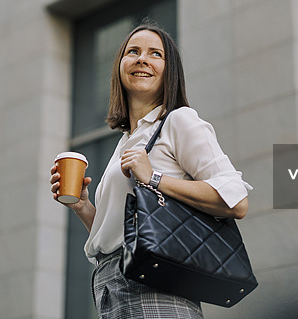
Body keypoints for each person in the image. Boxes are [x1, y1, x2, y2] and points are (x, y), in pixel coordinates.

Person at [50, 23, 252, 318]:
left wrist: (154, 178)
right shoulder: (126, 141)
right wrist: (83, 206)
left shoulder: (179, 121)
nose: (142, 59)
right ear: (120, 67)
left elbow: (236, 200)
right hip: (112, 287)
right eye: (133, 52)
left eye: (155, 54)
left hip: (154, 289)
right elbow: (118, 235)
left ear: (169, 72)